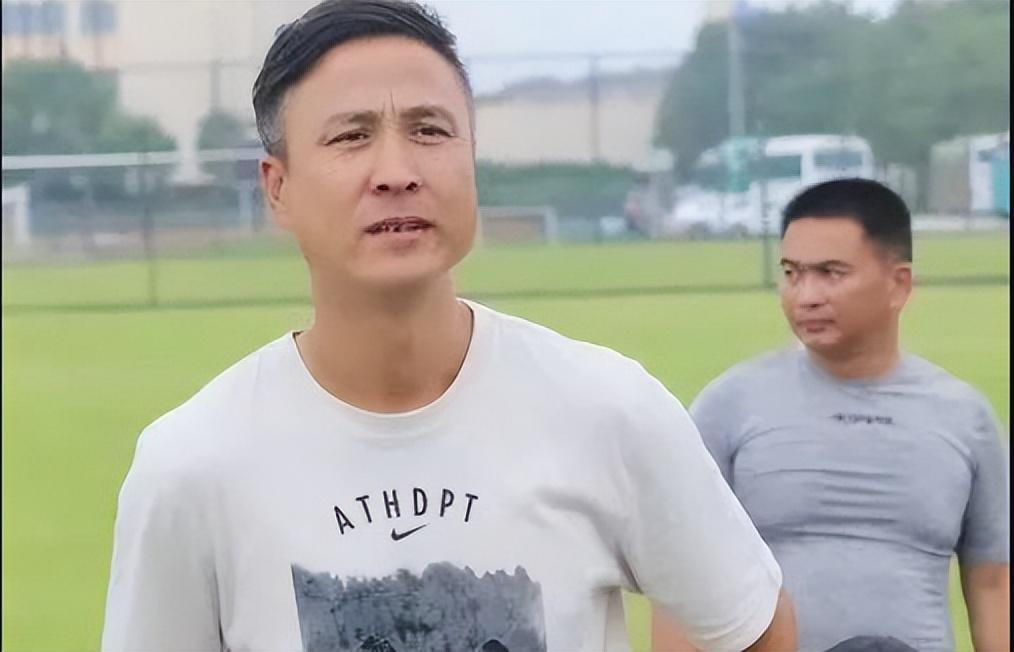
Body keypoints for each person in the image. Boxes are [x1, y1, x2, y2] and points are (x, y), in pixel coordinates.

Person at [100, 1, 797, 650]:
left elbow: (752, 627)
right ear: (277, 187)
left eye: (429, 131)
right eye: (352, 136)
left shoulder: (609, 409)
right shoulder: (190, 466)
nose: (397, 172)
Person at [653, 179, 1009, 652]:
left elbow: (993, 583)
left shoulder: (965, 419)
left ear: (898, 284)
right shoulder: (729, 406)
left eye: (830, 273)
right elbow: (684, 579)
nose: (806, 295)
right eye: (792, 273)